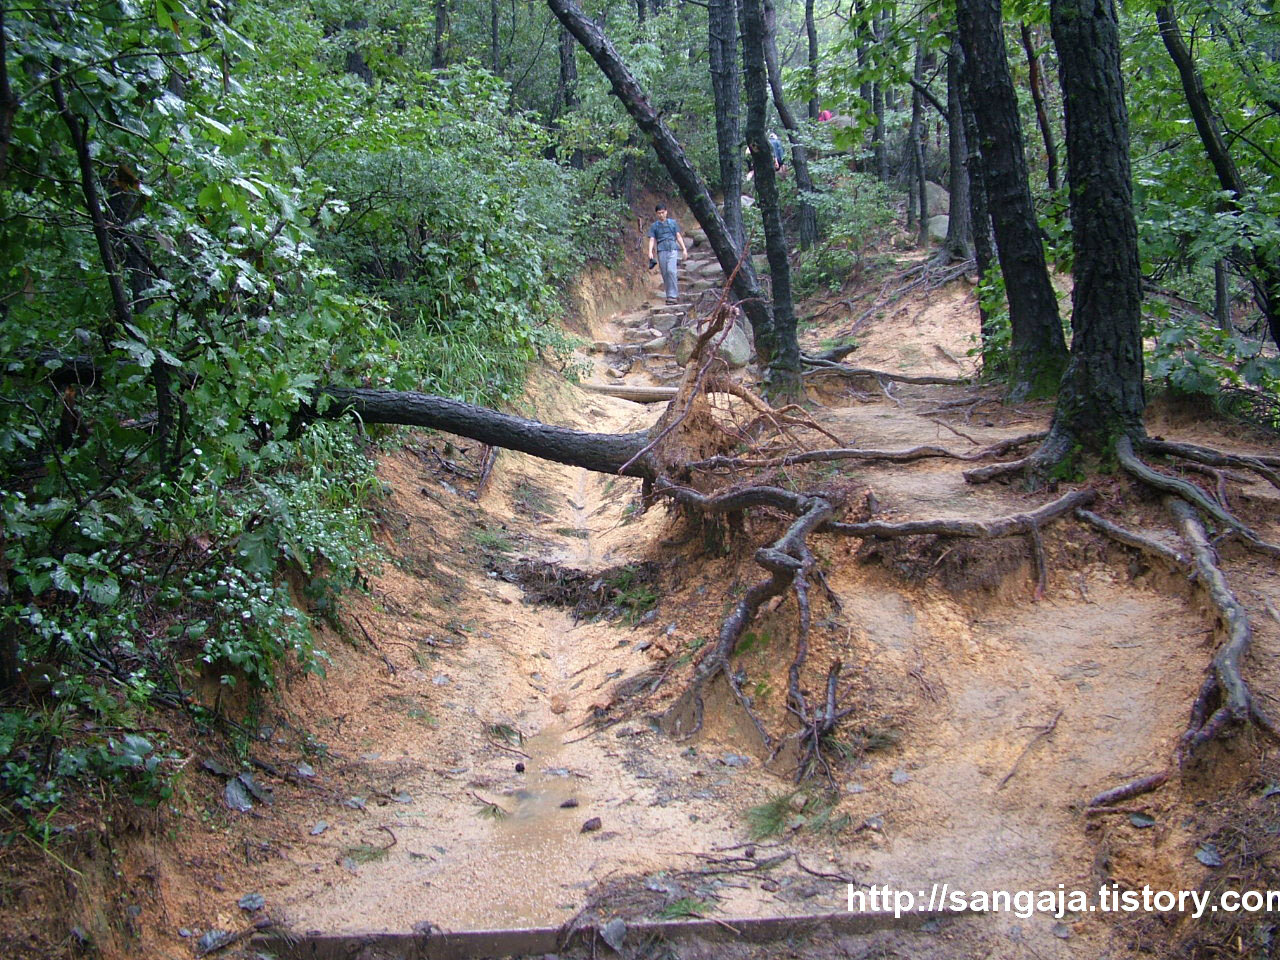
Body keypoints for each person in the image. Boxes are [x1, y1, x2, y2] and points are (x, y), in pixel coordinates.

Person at [647, 204, 688, 304]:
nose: (661, 215)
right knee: (665, 273)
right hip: (661, 250)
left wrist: (684, 249)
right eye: (659, 213)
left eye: (662, 212)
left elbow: (678, 236)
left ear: (666, 212)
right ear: (656, 214)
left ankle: (673, 295)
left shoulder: (673, 223)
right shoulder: (654, 226)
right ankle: (669, 295)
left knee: (671, 271)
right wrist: (650, 251)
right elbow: (652, 239)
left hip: (672, 249)